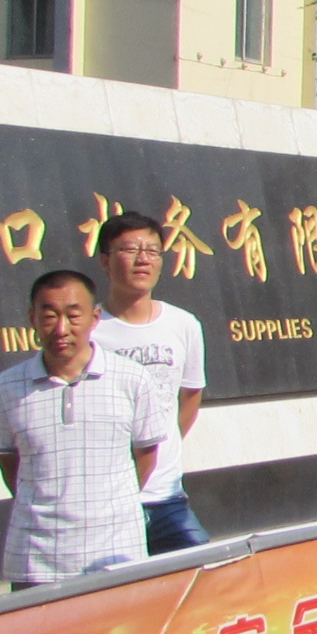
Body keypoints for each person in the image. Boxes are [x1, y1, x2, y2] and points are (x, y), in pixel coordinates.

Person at [0, 269, 169, 590]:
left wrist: (105, 502)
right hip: (36, 559)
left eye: (73, 315)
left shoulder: (132, 379)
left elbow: (146, 456)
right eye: (49, 316)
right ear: (32, 318)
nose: (61, 328)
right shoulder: (8, 387)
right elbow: (11, 463)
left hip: (115, 553)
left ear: (94, 318)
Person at [90, 211, 212, 552]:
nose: (143, 259)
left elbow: (190, 395)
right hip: (107, 503)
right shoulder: (89, 330)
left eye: (152, 251)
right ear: (105, 261)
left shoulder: (183, 324)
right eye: (130, 249)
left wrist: (161, 444)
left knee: (202, 574)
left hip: (167, 497)